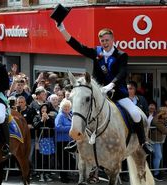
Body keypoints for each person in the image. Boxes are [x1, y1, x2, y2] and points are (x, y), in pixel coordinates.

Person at [56, 23, 153, 155]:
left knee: (135, 114)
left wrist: (111, 85)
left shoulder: (121, 55)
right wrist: (62, 28)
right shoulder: (96, 52)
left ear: (113, 40)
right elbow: (78, 46)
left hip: (118, 93)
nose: (104, 43)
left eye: (107, 40)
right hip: (99, 94)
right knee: (84, 113)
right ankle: (76, 141)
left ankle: (143, 142)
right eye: (102, 40)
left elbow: (122, 73)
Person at [55, 99, 74, 183]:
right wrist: (70, 128)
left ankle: (67, 175)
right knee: (63, 159)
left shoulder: (70, 115)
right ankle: (63, 176)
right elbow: (58, 127)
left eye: (68, 107)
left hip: (69, 141)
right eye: (65, 107)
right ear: (62, 108)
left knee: (68, 159)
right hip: (61, 141)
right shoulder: (60, 116)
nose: (67, 108)